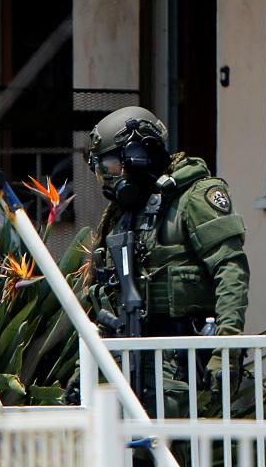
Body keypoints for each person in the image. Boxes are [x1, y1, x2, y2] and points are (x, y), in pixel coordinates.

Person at [85, 106, 250, 424]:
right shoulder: (124, 214)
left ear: (140, 153)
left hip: (176, 358)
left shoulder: (195, 197)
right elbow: (101, 295)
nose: (109, 178)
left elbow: (231, 271)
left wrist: (225, 350)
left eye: (113, 166)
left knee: (165, 450)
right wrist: (84, 371)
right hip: (128, 356)